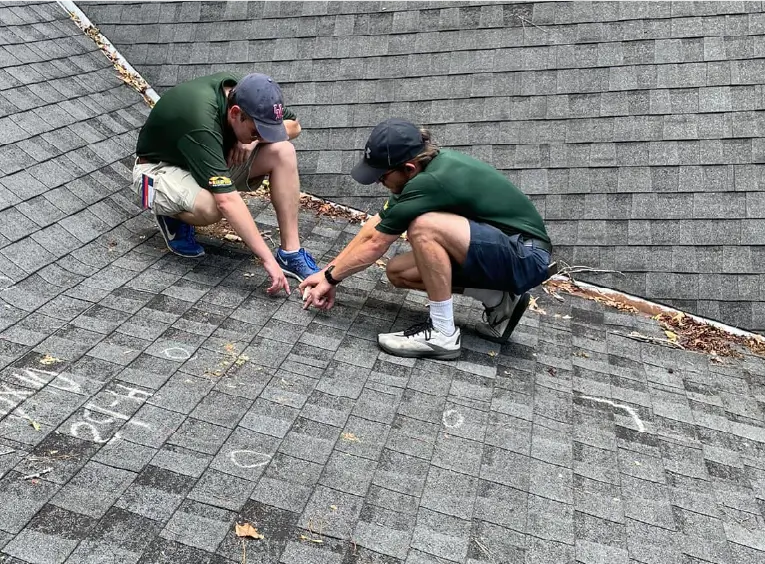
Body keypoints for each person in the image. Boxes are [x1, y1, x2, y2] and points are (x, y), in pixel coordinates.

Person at [299, 118, 552, 359]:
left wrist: (332, 279)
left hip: (525, 254)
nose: (378, 182)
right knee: (398, 271)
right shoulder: (422, 171)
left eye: (381, 176)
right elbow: (373, 230)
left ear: (408, 168)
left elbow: (377, 243)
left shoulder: (430, 181)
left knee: (424, 227)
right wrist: (326, 273)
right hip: (506, 249)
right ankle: (499, 300)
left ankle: (442, 334)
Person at [132, 72, 320, 295]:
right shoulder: (202, 119)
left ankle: (290, 253)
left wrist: (254, 139)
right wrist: (266, 259)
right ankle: (169, 213)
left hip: (200, 159)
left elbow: (295, 126)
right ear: (235, 114)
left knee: (283, 152)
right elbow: (227, 201)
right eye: (255, 130)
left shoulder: (248, 95)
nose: (259, 136)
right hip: (154, 173)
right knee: (211, 207)